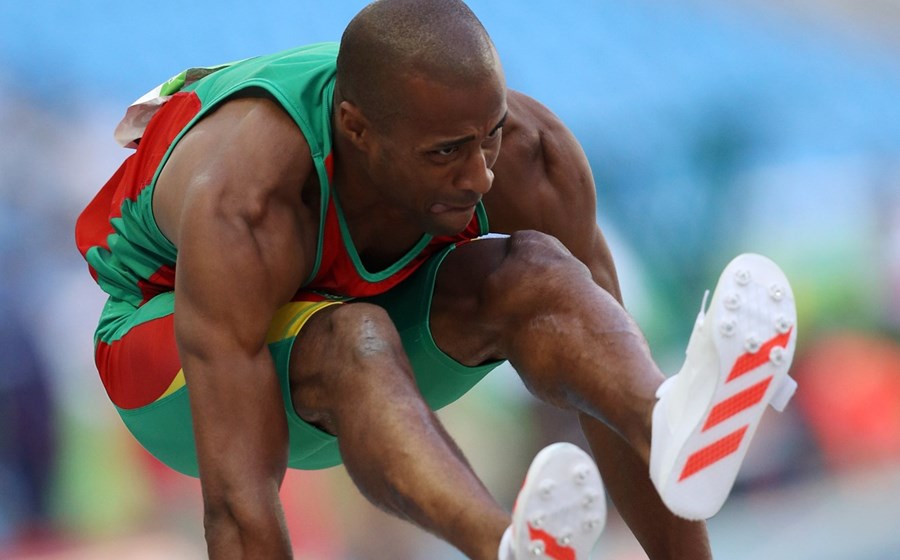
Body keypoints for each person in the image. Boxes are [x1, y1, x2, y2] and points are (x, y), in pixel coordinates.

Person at [75, 1, 798, 558]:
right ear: (355, 131)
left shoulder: (525, 158)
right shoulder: (250, 199)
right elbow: (240, 497)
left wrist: (651, 436)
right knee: (352, 333)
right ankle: (498, 545)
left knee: (541, 272)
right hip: (166, 352)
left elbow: (598, 390)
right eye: (446, 152)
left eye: (487, 137)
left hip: (371, 333)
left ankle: (666, 414)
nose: (479, 175)